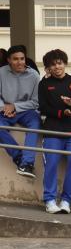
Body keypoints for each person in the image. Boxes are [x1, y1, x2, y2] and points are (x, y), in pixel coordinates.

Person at [38, 49, 71, 214]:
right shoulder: (44, 83)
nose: (57, 66)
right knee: (51, 165)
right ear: (48, 67)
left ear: (64, 63)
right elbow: (42, 108)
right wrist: (61, 112)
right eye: (53, 64)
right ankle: (50, 200)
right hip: (52, 130)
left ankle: (66, 200)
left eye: (59, 63)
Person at [0, 45, 41, 179]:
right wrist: (4, 107)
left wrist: (15, 107)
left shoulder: (34, 75)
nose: (20, 62)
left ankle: (27, 163)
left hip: (26, 110)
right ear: (9, 60)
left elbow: (35, 102)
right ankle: (19, 158)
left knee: (35, 123)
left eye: (22, 59)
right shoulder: (1, 72)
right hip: (4, 109)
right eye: (15, 59)